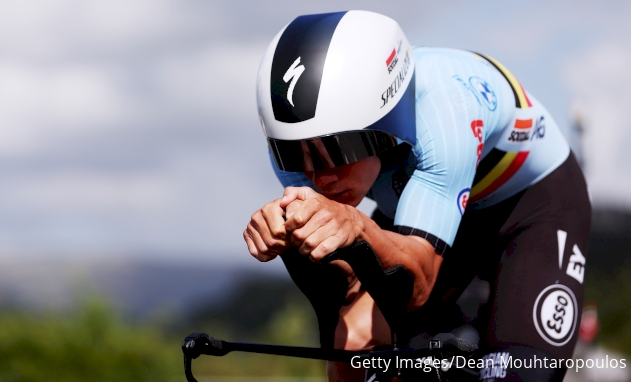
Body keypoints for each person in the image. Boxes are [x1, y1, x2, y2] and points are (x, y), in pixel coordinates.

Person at [243, 10, 591, 382]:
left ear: (385, 126)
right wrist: (288, 231)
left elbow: (417, 286)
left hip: (529, 205)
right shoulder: (299, 142)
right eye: (296, 153)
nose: (319, 176)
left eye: (337, 149)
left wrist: (358, 226)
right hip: (428, 202)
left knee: (519, 373)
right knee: (356, 352)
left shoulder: (444, 115)